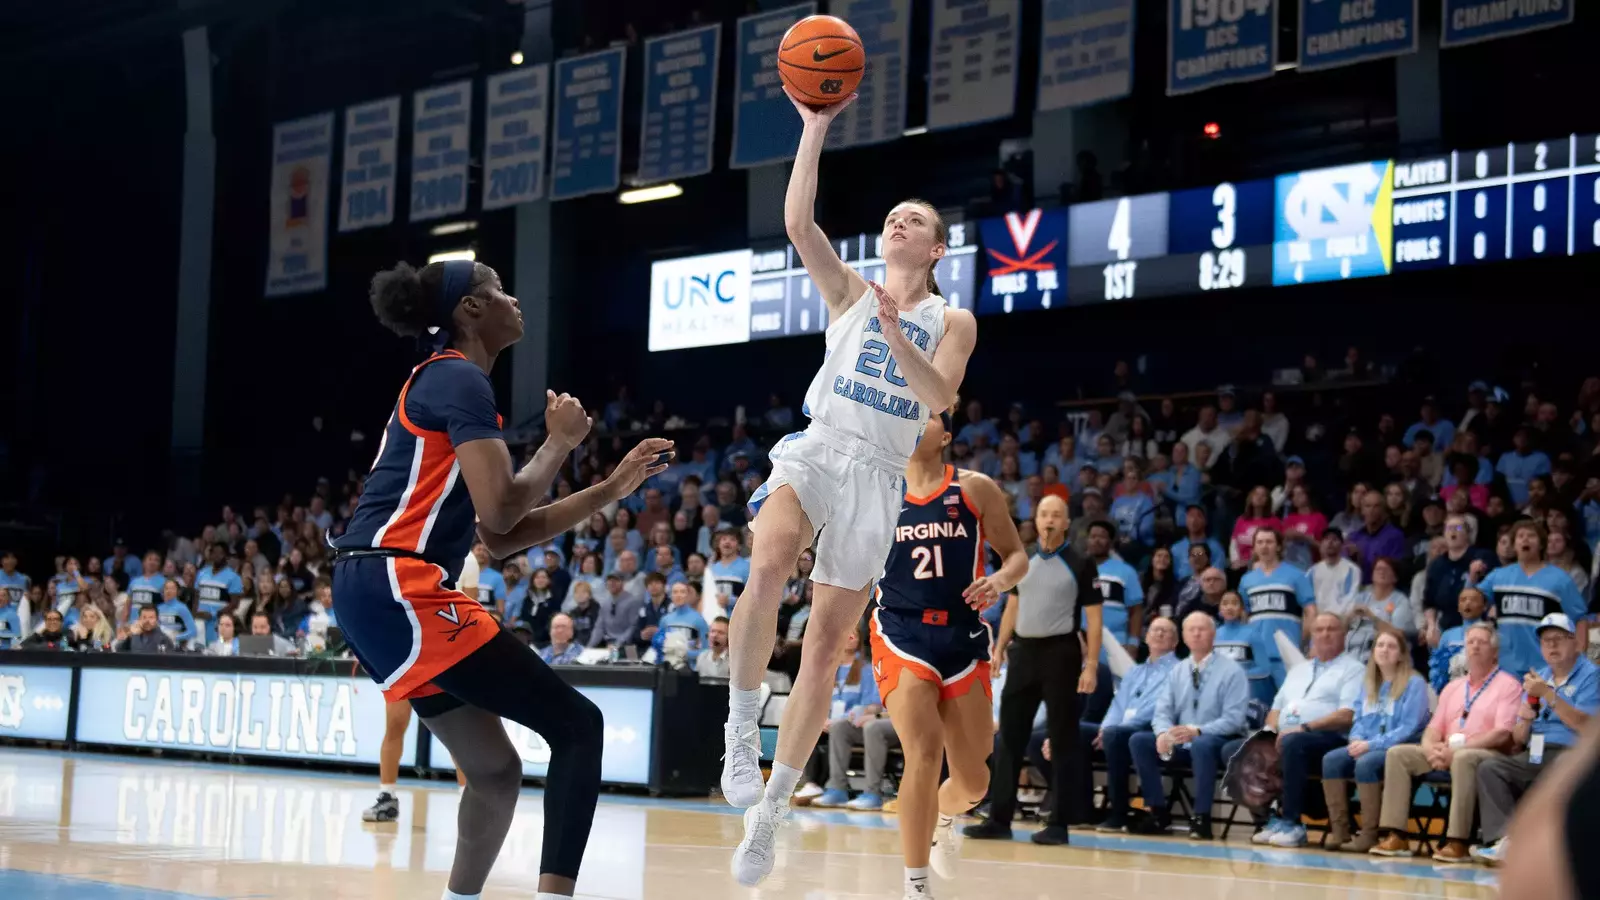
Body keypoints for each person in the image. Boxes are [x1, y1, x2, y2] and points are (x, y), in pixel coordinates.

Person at [330, 257, 673, 900]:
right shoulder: (458, 378)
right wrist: (559, 444)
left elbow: (501, 536)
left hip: (370, 588)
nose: (515, 299)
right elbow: (502, 508)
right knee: (578, 726)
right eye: (498, 289)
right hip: (398, 581)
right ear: (471, 309)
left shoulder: (444, 383)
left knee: (493, 771)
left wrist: (615, 485)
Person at [722, 92, 979, 889]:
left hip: (879, 479)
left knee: (827, 649)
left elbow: (939, 396)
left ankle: (770, 811)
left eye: (915, 221)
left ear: (937, 248)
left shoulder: (953, 318)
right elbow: (800, 223)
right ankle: (738, 727)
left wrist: (900, 339)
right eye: (893, 217)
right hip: (819, 448)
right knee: (766, 566)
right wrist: (814, 128)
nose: (898, 224)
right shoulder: (849, 294)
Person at [864, 413, 1028, 896]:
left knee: (975, 782)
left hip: (963, 637)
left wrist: (999, 580)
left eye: (928, 417)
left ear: (947, 435)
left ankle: (945, 816)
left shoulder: (975, 489)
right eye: (909, 415)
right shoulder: (880, 491)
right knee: (922, 749)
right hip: (900, 632)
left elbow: (1016, 556)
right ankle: (916, 885)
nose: (916, 423)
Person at [969, 495, 1101, 845]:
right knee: (1008, 738)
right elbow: (1013, 604)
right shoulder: (1022, 559)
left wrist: (1091, 665)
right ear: (1036, 518)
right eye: (1044, 513)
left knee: (1062, 739)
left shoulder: (1081, 562)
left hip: (1062, 653)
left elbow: (1094, 617)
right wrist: (999, 648)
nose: (1049, 519)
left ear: (1067, 521)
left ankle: (1059, 823)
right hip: (1023, 652)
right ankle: (999, 818)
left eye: (1057, 514)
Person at [1471, 613, 1599, 865]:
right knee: (1490, 767)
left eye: (1559, 639)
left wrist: (1549, 696)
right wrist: (1525, 718)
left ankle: (1555, 852)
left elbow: (1587, 726)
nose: (1551, 645)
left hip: (1571, 754)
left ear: (1575, 643)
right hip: (1535, 752)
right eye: (1546, 640)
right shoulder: (1538, 677)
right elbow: (1519, 739)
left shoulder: (1592, 675)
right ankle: (1505, 841)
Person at [1234, 613, 1364, 848]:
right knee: (1236, 749)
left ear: (1344, 635)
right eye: (1320, 629)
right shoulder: (1298, 670)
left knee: (1294, 743)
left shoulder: (1354, 669)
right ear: (1312, 636)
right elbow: (1276, 708)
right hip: (1288, 736)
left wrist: (1304, 727)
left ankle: (1291, 822)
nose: (1325, 634)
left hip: (1330, 738)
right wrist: (1268, 732)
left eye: (1332, 629)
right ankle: (1267, 818)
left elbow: (1347, 715)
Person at [1126, 611, 1251, 838]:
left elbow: (1234, 720)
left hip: (1218, 739)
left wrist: (1198, 730)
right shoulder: (1178, 670)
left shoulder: (1233, 671)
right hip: (1182, 741)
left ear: (1213, 635)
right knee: (1139, 740)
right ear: (1183, 636)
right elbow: (1162, 711)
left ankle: (1201, 818)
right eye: (1190, 629)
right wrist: (1164, 733)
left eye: (1202, 629)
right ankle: (1157, 811)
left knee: (1203, 744)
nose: (1196, 633)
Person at [1321, 628, 1430, 852]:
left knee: (1366, 763)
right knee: (1331, 760)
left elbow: (1409, 728)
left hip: (1396, 748)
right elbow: (1359, 718)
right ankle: (1340, 831)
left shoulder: (1414, 683)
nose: (1384, 650)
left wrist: (1371, 745)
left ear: (1401, 654)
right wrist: (1356, 739)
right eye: (1380, 645)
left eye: (1391, 646)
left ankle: (1370, 833)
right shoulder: (1369, 683)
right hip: (1366, 744)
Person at [1090, 618, 1181, 832]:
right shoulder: (1135, 671)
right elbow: (1118, 703)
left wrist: (1117, 728)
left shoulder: (1178, 670)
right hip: (1120, 728)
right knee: (1074, 733)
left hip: (1152, 728)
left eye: (1165, 632)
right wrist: (1105, 727)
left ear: (1175, 642)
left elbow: (1160, 708)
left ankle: (1119, 811)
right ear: (1146, 637)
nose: (1159, 634)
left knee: (1117, 735)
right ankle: (1081, 806)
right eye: (1155, 630)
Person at [1477, 519, 1588, 678]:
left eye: (1531, 535)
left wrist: (1579, 654)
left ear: (1542, 544)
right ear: (1514, 545)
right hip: (1505, 667)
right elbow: (1472, 602)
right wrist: (1472, 580)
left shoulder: (1560, 579)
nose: (1525, 539)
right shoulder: (1498, 576)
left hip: (1547, 668)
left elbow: (1580, 618)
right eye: (1520, 536)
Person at [1238, 528, 1316, 685]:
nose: (1264, 546)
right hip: (1257, 655)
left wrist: (1305, 642)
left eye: (1269, 542)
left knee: (1289, 704)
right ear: (1254, 547)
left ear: (1279, 546)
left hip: (1288, 652)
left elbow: (1310, 611)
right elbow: (1243, 615)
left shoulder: (1296, 575)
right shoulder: (1246, 580)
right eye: (1259, 542)